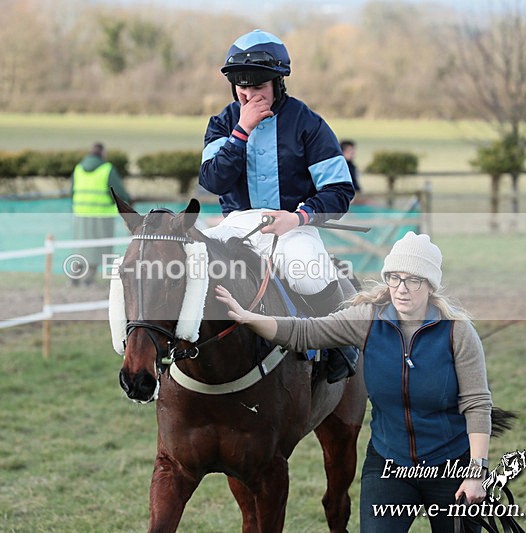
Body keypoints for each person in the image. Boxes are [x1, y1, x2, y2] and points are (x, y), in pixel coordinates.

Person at [216, 231, 492, 532]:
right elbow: (304, 333)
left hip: (451, 465)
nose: (401, 288)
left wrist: (476, 472)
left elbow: (477, 404)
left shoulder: (458, 333)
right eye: (394, 278)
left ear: (429, 285)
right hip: (390, 463)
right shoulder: (368, 320)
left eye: (413, 280)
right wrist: (247, 316)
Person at [199, 29, 357, 382]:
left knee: (311, 271)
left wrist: (298, 217)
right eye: (243, 88)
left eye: (259, 88)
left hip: (292, 225)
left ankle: (340, 347)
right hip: (236, 224)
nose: (250, 95)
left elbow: (339, 190)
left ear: (278, 83)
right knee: (197, 268)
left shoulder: (308, 123)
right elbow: (212, 180)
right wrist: (241, 131)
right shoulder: (223, 123)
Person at [71, 142, 130, 286]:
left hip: (80, 214)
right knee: (98, 247)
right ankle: (88, 279)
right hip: (102, 214)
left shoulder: (78, 168)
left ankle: (74, 276)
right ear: (103, 153)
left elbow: (71, 190)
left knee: (81, 246)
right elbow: (117, 192)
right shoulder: (106, 169)